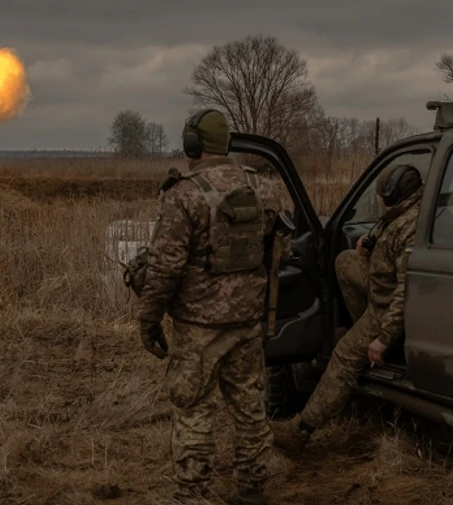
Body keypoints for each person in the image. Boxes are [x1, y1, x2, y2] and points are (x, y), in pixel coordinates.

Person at [137, 109, 287, 504]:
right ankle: (253, 489)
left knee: (193, 410)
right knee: (249, 406)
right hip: (247, 322)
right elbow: (274, 252)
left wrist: (148, 321)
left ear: (192, 144)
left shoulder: (183, 194)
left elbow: (164, 268)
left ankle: (192, 494)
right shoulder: (264, 189)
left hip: (199, 327)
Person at [271, 164, 423, 455]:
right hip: (382, 285)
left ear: (391, 194)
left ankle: (300, 430)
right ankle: (361, 331)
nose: (378, 198)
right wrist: (368, 246)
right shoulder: (402, 213)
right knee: (344, 260)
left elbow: (406, 292)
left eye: (380, 193)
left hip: (388, 307)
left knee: (342, 356)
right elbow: (385, 244)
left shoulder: (410, 229)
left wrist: (383, 337)